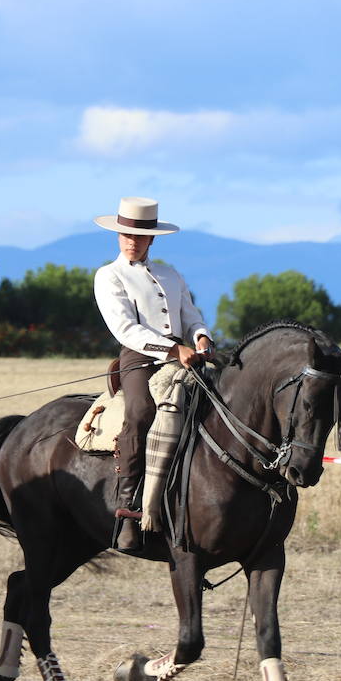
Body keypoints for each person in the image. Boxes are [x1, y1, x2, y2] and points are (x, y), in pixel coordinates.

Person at [93, 197, 214, 553]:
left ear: (152, 239)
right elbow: (125, 329)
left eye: (139, 236)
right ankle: (129, 509)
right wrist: (173, 349)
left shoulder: (170, 274)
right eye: (126, 235)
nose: (132, 241)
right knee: (141, 414)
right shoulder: (109, 276)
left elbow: (190, 314)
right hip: (139, 357)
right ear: (118, 236)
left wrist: (200, 335)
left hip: (186, 355)